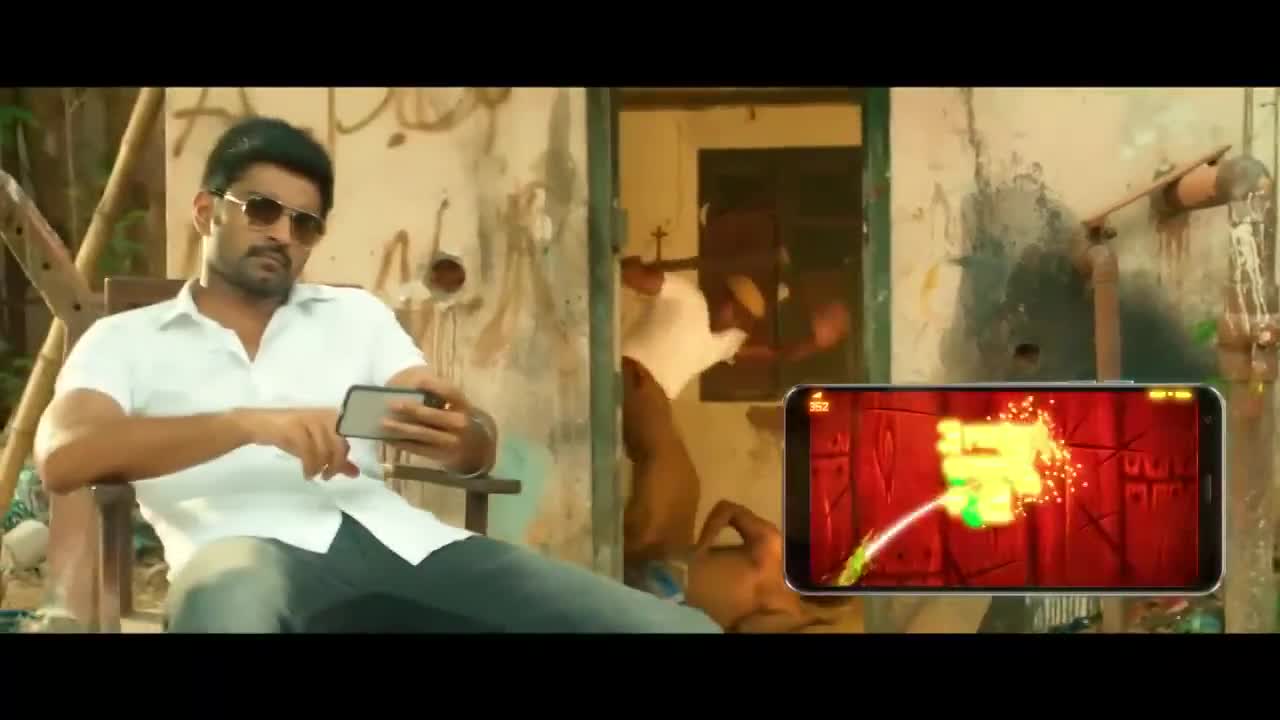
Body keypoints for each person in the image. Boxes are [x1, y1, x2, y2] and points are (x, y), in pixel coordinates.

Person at [32, 116, 720, 634]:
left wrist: (462, 435)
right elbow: (65, 455)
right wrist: (247, 424)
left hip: (399, 544)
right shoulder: (126, 339)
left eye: (305, 224)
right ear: (206, 211)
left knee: (678, 628)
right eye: (262, 211)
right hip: (239, 552)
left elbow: (467, 439)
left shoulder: (354, 315)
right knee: (228, 602)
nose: (283, 235)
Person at [681, 500, 854, 633]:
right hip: (679, 570)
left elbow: (744, 629)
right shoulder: (772, 544)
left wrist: (811, 618)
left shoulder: (790, 613)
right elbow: (728, 509)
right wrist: (702, 547)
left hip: (678, 614)